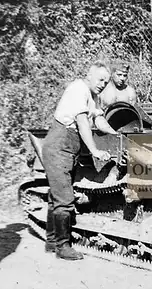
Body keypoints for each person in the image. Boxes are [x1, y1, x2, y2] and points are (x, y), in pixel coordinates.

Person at [41, 61, 118, 260]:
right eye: (100, 79)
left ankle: (51, 240)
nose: (103, 84)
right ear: (89, 76)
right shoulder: (78, 89)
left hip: (69, 148)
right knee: (65, 198)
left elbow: (98, 120)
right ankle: (62, 247)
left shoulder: (93, 96)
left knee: (56, 195)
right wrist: (95, 151)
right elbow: (83, 122)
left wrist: (115, 134)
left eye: (106, 81)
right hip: (59, 145)